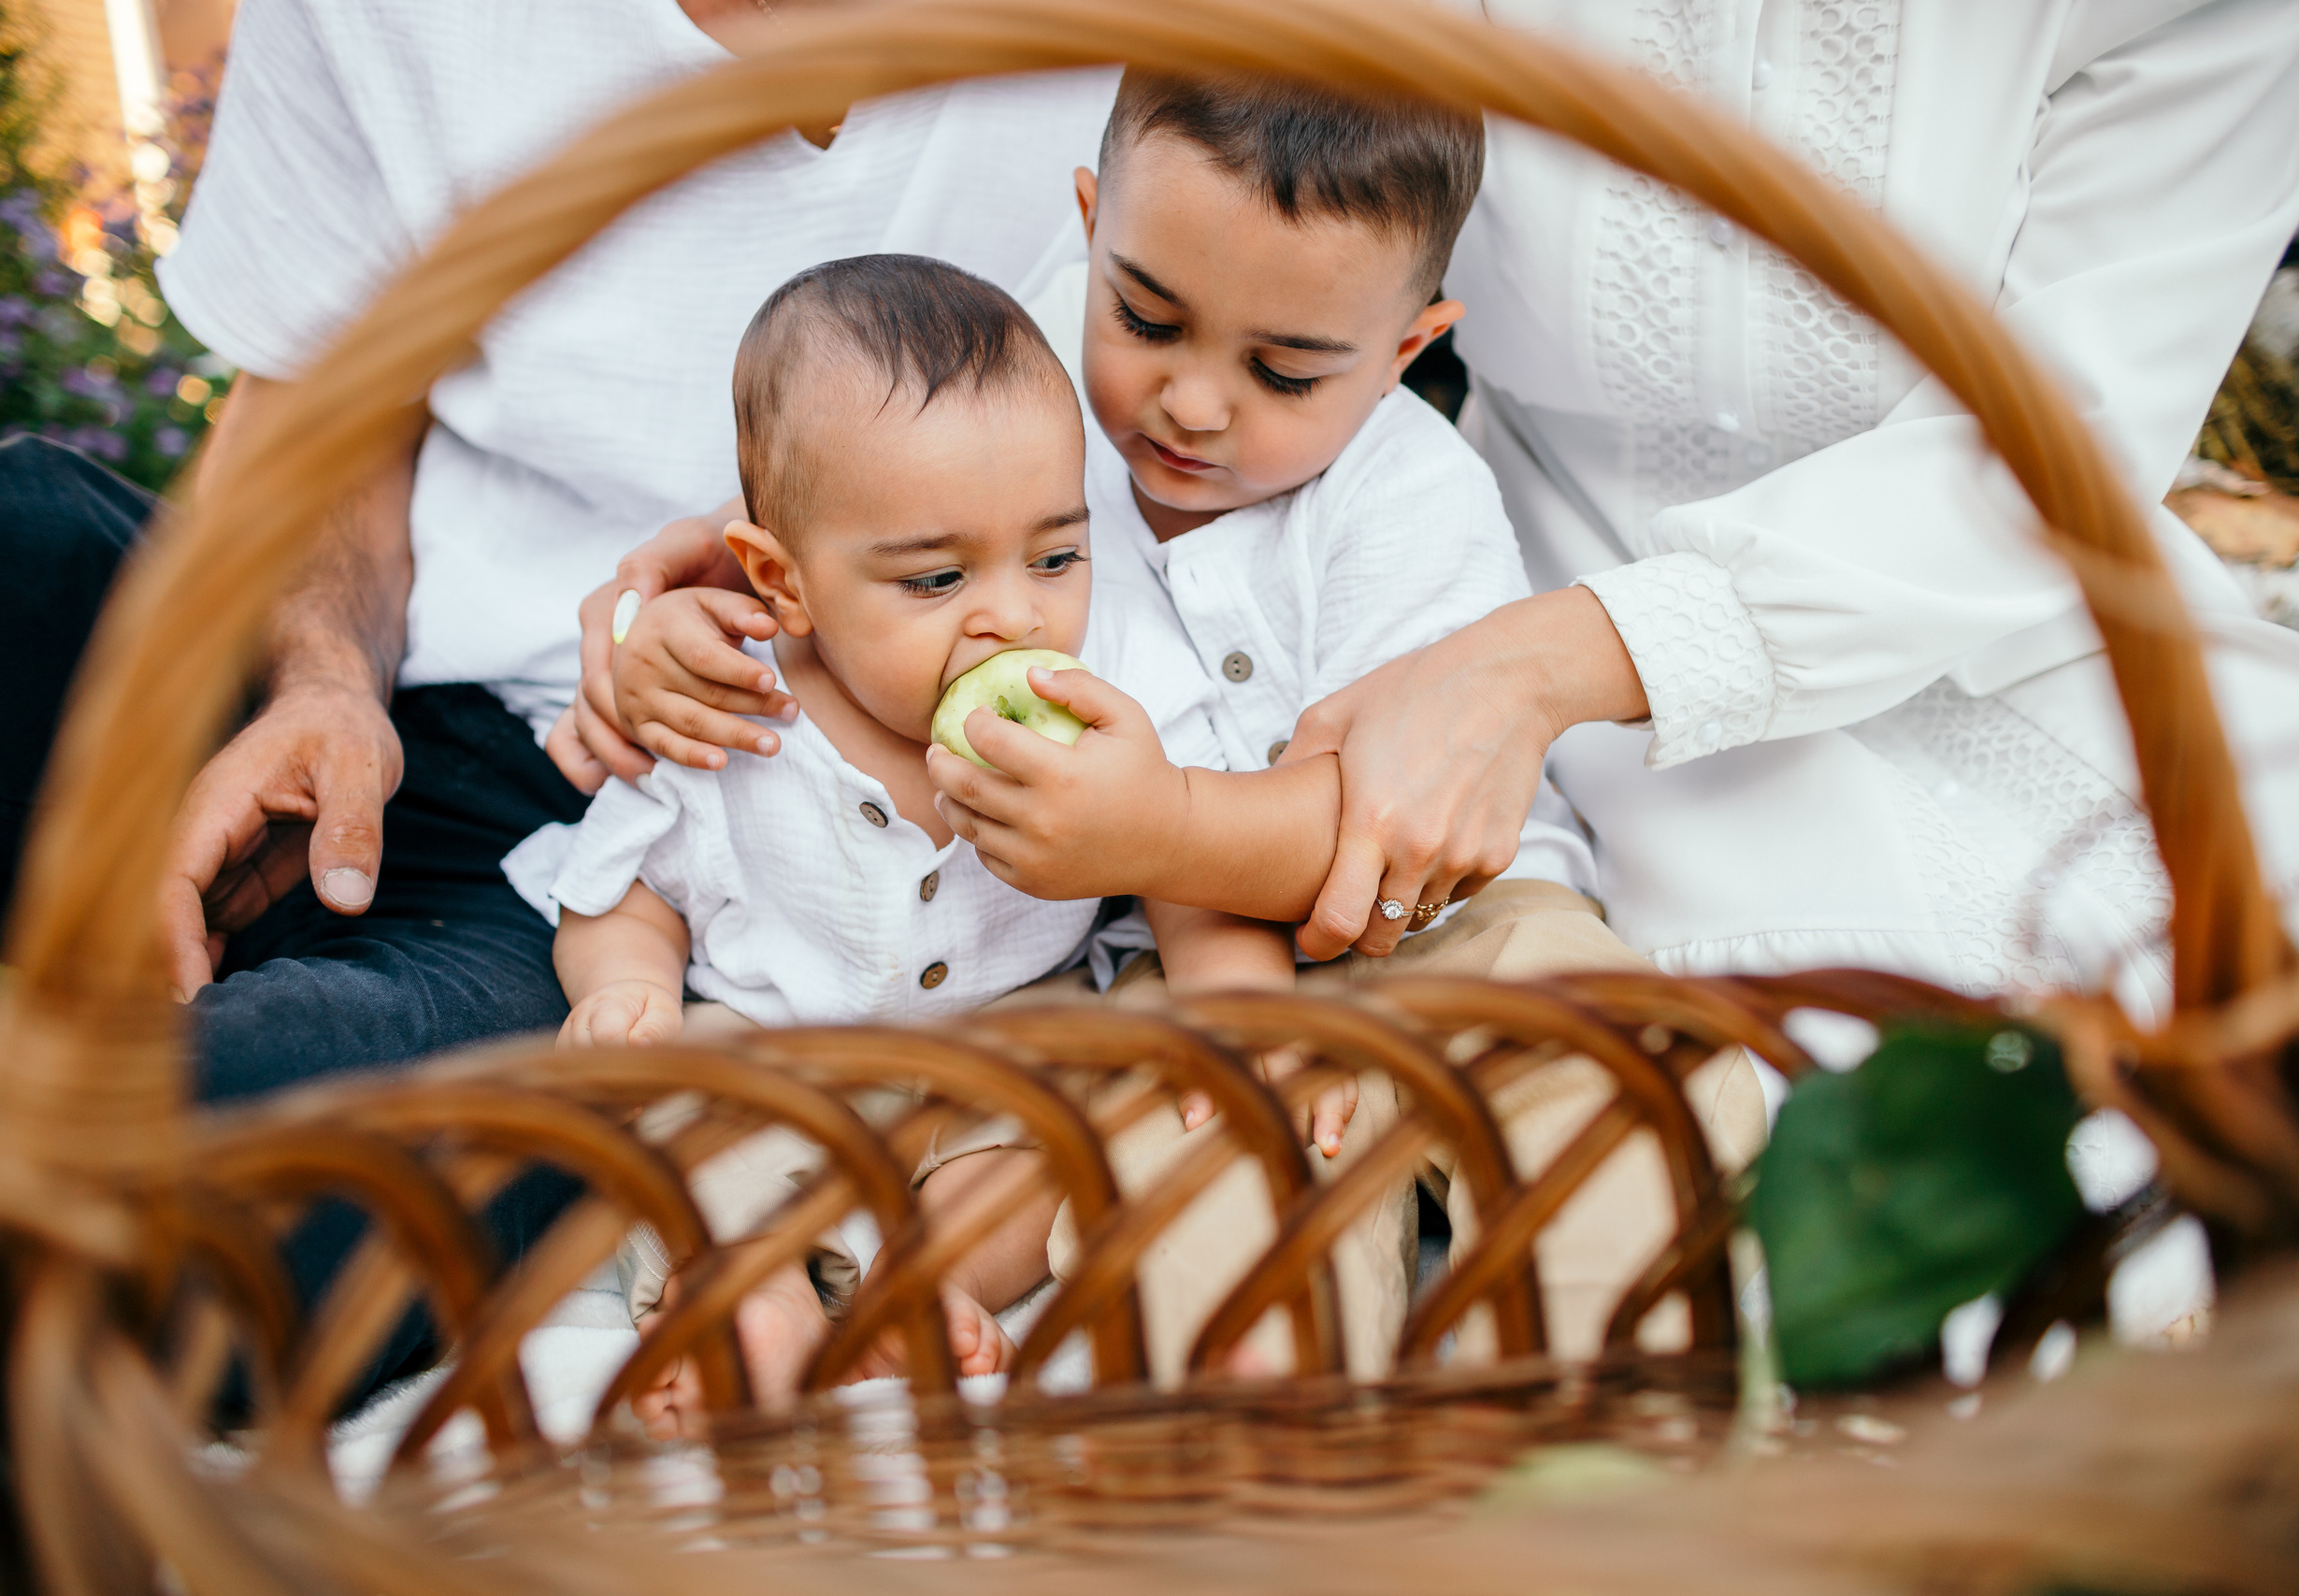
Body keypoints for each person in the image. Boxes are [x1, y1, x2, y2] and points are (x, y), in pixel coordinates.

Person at [0, 0, 1114, 1404]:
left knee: (209, 1152)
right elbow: (312, 408)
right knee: (1, 543)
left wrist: (1457, 662)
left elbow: (1313, 330)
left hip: (605, 863)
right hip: (385, 686)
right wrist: (320, 681)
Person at [617, 73, 1764, 1376]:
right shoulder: (1028, 409)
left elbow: (1389, 820)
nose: (1195, 405)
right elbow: (848, 519)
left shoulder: (1405, 495)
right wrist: (667, 624)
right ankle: (1246, 1474)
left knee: (1615, 1089)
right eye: (1146, 318)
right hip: (1187, 959)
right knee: (1205, 1190)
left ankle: (1607, 1414)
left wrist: (1151, 827)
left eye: (1284, 368)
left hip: (1460, 916)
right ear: (1091, 233)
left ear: (1405, 351)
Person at [1252, 0, 2299, 1023]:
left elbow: (2072, 424)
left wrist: (1530, 669)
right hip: (1566, 575)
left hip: (2044, 605)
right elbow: (1210, 179)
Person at [513, 253, 1308, 1417]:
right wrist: (624, 993)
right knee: (678, 1126)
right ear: (782, 585)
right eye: (936, 578)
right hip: (774, 1055)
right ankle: (753, 1299)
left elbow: (1181, 875)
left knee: (1065, 1143)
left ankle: (915, 1289)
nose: (1014, 614)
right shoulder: (730, 707)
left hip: (1005, 1046)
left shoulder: (1111, 685)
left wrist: (1242, 1012)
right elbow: (621, 890)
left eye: (1055, 555)